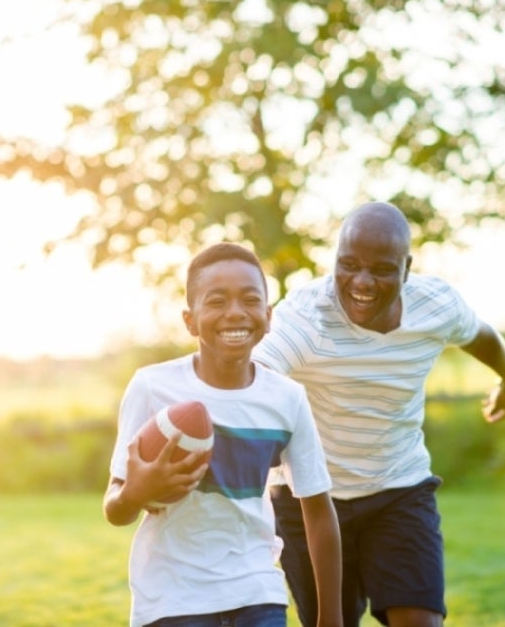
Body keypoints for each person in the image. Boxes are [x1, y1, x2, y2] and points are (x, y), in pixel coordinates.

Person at [252, 202, 505, 627]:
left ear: (407, 268)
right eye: (348, 265)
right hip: (309, 500)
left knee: (420, 622)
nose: (361, 282)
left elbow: (483, 337)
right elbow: (253, 376)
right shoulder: (306, 318)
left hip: (399, 489)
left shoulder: (435, 306)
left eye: (381, 269)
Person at [103, 242, 343, 627]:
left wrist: (331, 618)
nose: (235, 313)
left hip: (257, 591)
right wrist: (137, 491)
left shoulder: (287, 398)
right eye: (216, 301)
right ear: (190, 320)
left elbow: (317, 511)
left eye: (250, 300)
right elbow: (115, 509)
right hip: (172, 598)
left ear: (268, 314)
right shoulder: (151, 388)